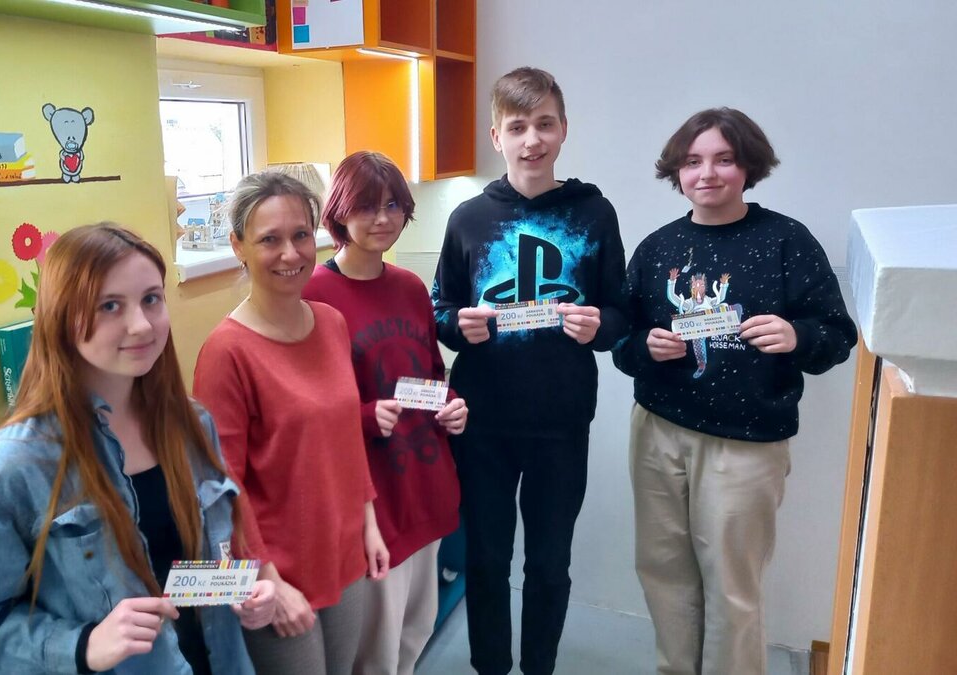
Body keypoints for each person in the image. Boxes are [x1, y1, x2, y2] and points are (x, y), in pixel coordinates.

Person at [0, 224, 274, 675]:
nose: (141, 325)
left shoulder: (192, 424)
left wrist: (242, 589)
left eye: (151, 299)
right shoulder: (12, 468)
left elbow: (185, 564)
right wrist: (83, 646)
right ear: (62, 317)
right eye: (110, 306)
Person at [612, 108, 856, 675]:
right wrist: (645, 347)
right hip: (658, 433)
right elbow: (622, 342)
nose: (707, 174)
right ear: (676, 171)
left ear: (749, 166)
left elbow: (837, 336)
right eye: (693, 161)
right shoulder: (658, 247)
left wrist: (796, 336)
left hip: (746, 442)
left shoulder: (786, 241)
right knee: (662, 571)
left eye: (724, 159)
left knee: (732, 587)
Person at [431, 67, 629, 675]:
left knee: (549, 564)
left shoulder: (594, 213)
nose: (532, 140)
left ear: (564, 128)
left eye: (544, 124)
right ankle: (490, 666)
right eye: (517, 127)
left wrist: (600, 327)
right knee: (487, 559)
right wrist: (456, 325)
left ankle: (539, 666)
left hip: (561, 421)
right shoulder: (468, 217)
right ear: (497, 137)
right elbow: (440, 307)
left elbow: (620, 312)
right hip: (482, 421)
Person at [192, 171, 390, 675]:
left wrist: (369, 524)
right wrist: (266, 578)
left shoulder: (332, 323)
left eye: (301, 235)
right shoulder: (226, 352)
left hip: (343, 552)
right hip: (277, 572)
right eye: (269, 239)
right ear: (238, 246)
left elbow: (346, 442)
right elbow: (221, 485)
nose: (290, 253)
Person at [301, 150, 467, 675]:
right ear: (339, 212)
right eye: (367, 206)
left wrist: (451, 406)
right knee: (375, 652)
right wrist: (367, 416)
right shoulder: (314, 294)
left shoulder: (410, 286)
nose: (382, 218)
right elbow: (307, 410)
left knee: (415, 634)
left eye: (393, 205)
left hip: (425, 480)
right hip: (373, 500)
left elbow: (429, 375)